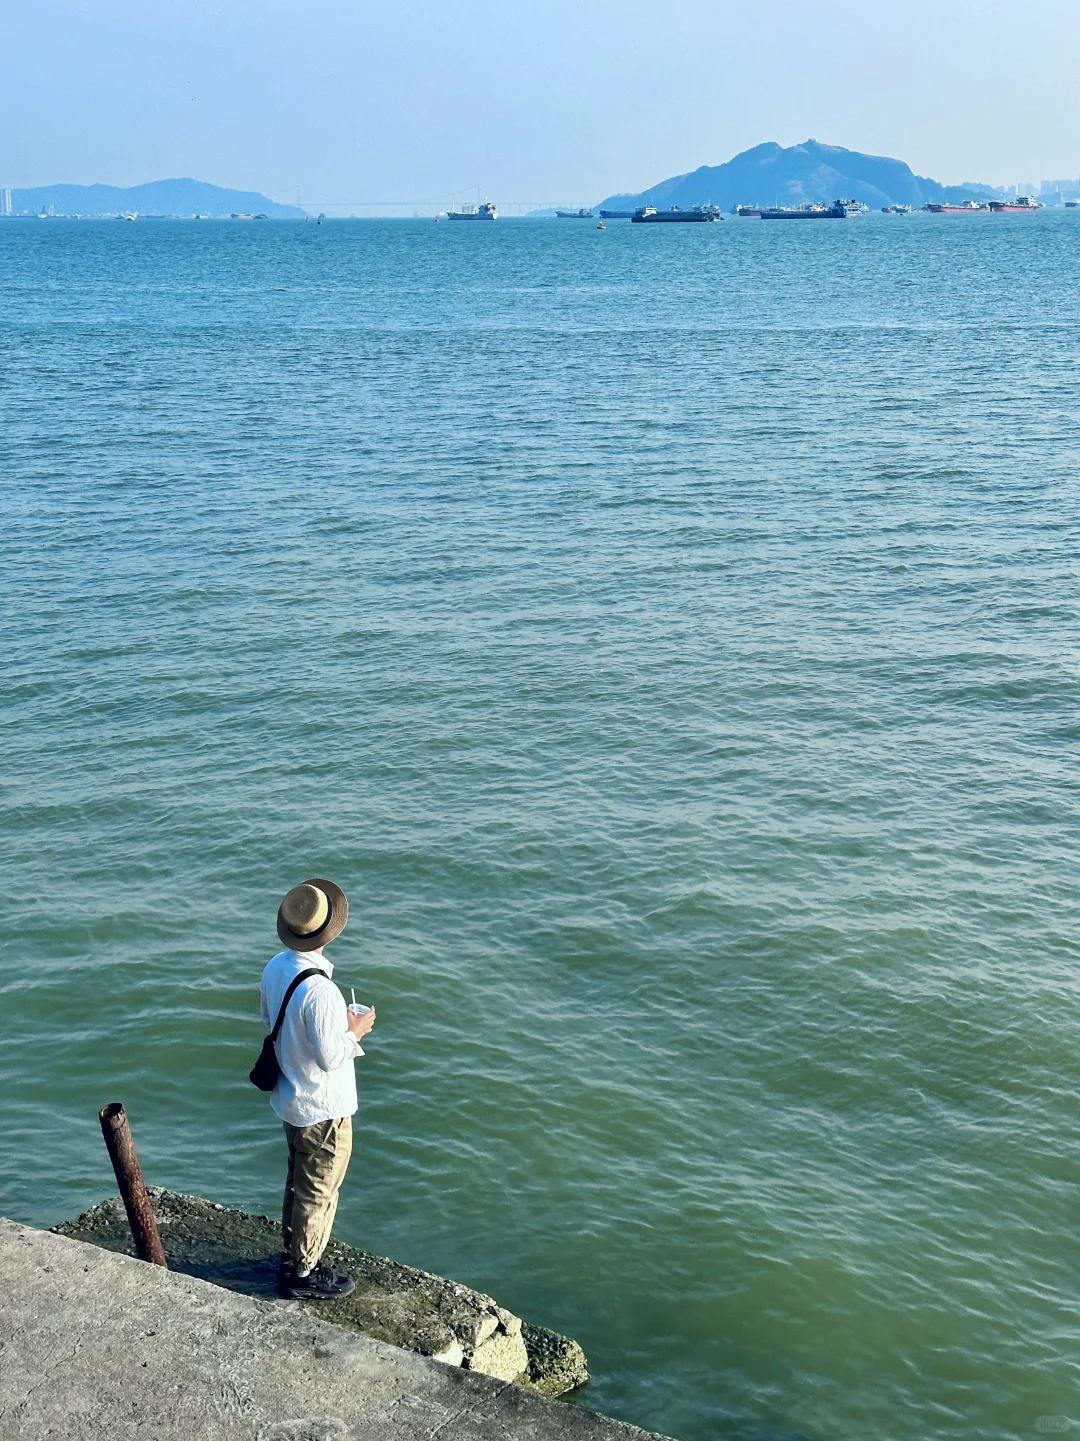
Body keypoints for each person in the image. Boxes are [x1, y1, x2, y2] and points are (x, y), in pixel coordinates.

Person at [259, 878, 375, 1300]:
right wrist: (355, 1029)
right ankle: (303, 1273)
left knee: (297, 1182)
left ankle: (294, 1256)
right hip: (323, 1109)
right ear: (329, 931)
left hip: (292, 1098)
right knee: (319, 1190)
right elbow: (330, 1057)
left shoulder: (276, 966)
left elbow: (269, 1017)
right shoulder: (322, 989)